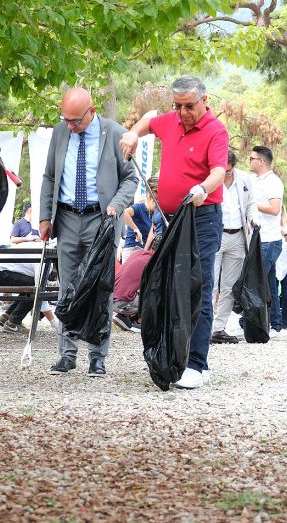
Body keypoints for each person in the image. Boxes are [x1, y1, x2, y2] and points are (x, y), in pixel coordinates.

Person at [120, 75, 228, 390]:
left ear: (205, 101)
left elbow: (219, 171)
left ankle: (197, 364)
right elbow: (150, 120)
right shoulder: (170, 121)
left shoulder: (215, 131)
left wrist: (202, 188)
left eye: (190, 106)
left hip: (201, 217)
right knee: (168, 285)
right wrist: (132, 133)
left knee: (199, 286)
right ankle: (174, 355)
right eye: (178, 106)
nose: (183, 113)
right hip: (167, 219)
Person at [39, 87, 136, 378]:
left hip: (101, 220)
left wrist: (116, 206)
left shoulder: (116, 133)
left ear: (91, 112)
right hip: (67, 218)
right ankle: (66, 356)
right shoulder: (60, 132)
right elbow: (49, 176)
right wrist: (45, 216)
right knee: (67, 288)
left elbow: (130, 179)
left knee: (99, 288)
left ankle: (97, 357)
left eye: (76, 121)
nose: (70, 126)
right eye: (66, 119)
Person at [210, 151, 258, 344]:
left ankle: (219, 327)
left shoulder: (245, 179)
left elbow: (251, 204)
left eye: (229, 171)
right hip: (216, 234)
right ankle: (203, 326)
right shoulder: (212, 178)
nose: (226, 174)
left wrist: (254, 219)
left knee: (229, 286)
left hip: (238, 234)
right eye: (224, 171)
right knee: (210, 283)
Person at [248, 145, 286, 334]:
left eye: (252, 158)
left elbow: (274, 209)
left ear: (261, 161)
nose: (250, 161)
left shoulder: (273, 182)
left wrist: (252, 203)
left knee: (258, 281)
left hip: (269, 239)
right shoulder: (253, 180)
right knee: (270, 283)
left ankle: (255, 322)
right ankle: (276, 324)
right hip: (256, 238)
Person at [0, 241, 62, 334]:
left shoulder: (43, 246)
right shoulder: (45, 257)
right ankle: (13, 323)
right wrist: (55, 323)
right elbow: (39, 292)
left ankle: (7, 316)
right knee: (33, 288)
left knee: (30, 285)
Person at [112, 236, 160, 332]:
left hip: (112, 298)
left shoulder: (140, 253)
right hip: (123, 302)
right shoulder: (152, 263)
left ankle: (124, 316)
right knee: (158, 292)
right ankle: (139, 322)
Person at [121, 176, 164, 262]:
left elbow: (151, 235)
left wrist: (145, 251)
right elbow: (125, 213)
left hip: (142, 251)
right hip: (132, 249)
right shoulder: (139, 207)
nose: (156, 204)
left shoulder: (154, 214)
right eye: (155, 200)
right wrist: (135, 228)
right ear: (149, 197)